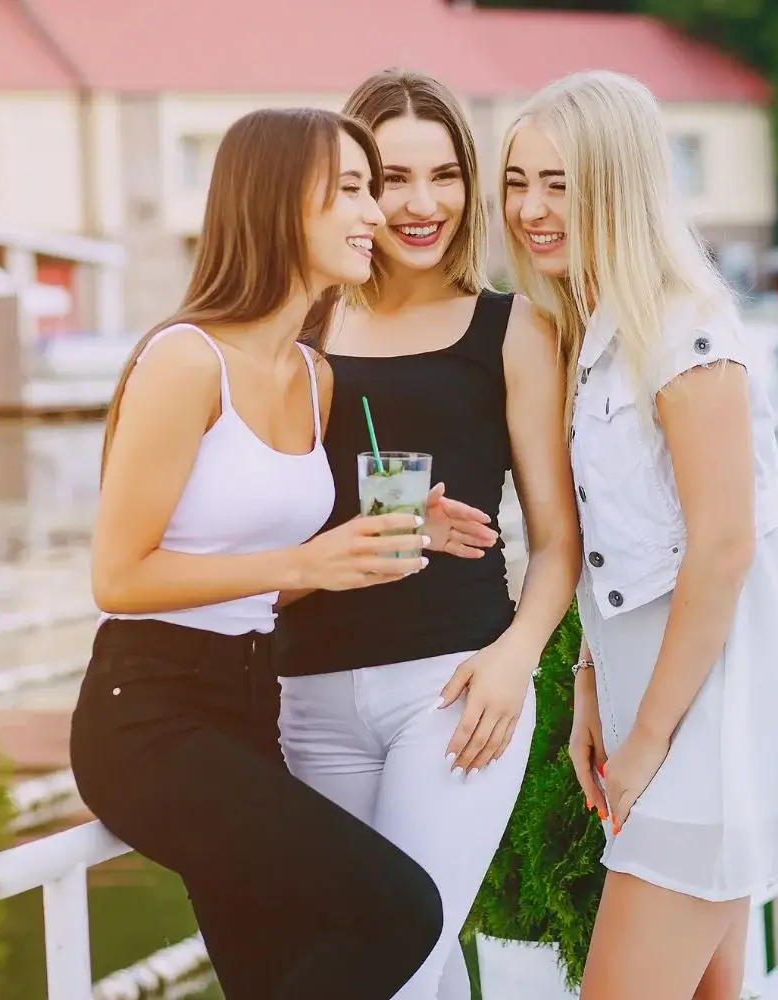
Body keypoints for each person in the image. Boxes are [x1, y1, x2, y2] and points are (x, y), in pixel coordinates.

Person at [68, 107, 493, 1000]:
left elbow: (267, 581)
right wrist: (302, 564)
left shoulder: (314, 375)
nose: (375, 213)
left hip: (252, 705)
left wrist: (386, 539)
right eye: (350, 189)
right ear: (273, 205)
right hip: (147, 717)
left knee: (272, 977)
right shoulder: (185, 361)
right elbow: (118, 577)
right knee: (400, 915)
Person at [499, 71, 778, 1000]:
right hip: (647, 705)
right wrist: (589, 691)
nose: (531, 208)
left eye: (560, 184)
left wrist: (647, 740)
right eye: (518, 180)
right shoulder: (595, 327)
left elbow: (724, 546)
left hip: (707, 719)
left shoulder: (684, 330)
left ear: (617, 185)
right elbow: (617, 552)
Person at [276, 70, 581, 1000]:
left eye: (444, 176)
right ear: (349, 187)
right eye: (390, 177)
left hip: (453, 692)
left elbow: (558, 540)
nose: (420, 204)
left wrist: (514, 658)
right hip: (307, 697)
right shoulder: (300, 325)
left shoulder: (514, 328)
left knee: (386, 961)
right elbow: (258, 537)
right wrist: (362, 537)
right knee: (424, 967)